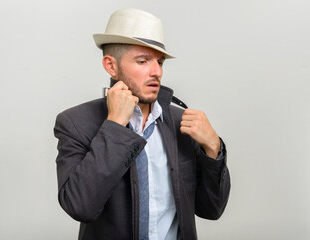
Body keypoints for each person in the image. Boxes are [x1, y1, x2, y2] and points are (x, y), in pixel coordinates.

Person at [54, 8, 230, 240]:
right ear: (110, 65)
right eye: (143, 61)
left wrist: (213, 149)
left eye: (159, 62)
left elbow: (211, 209)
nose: (156, 72)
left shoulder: (181, 123)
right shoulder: (76, 123)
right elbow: (80, 207)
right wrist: (115, 126)